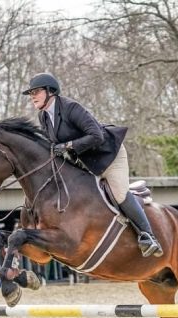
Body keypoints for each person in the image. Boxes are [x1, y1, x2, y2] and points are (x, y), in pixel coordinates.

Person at [22, 72, 163, 257]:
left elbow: (97, 135)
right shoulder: (44, 117)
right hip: (87, 162)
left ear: (51, 91)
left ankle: (148, 236)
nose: (32, 96)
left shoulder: (70, 108)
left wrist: (68, 146)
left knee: (119, 193)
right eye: (31, 93)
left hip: (109, 156)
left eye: (36, 92)